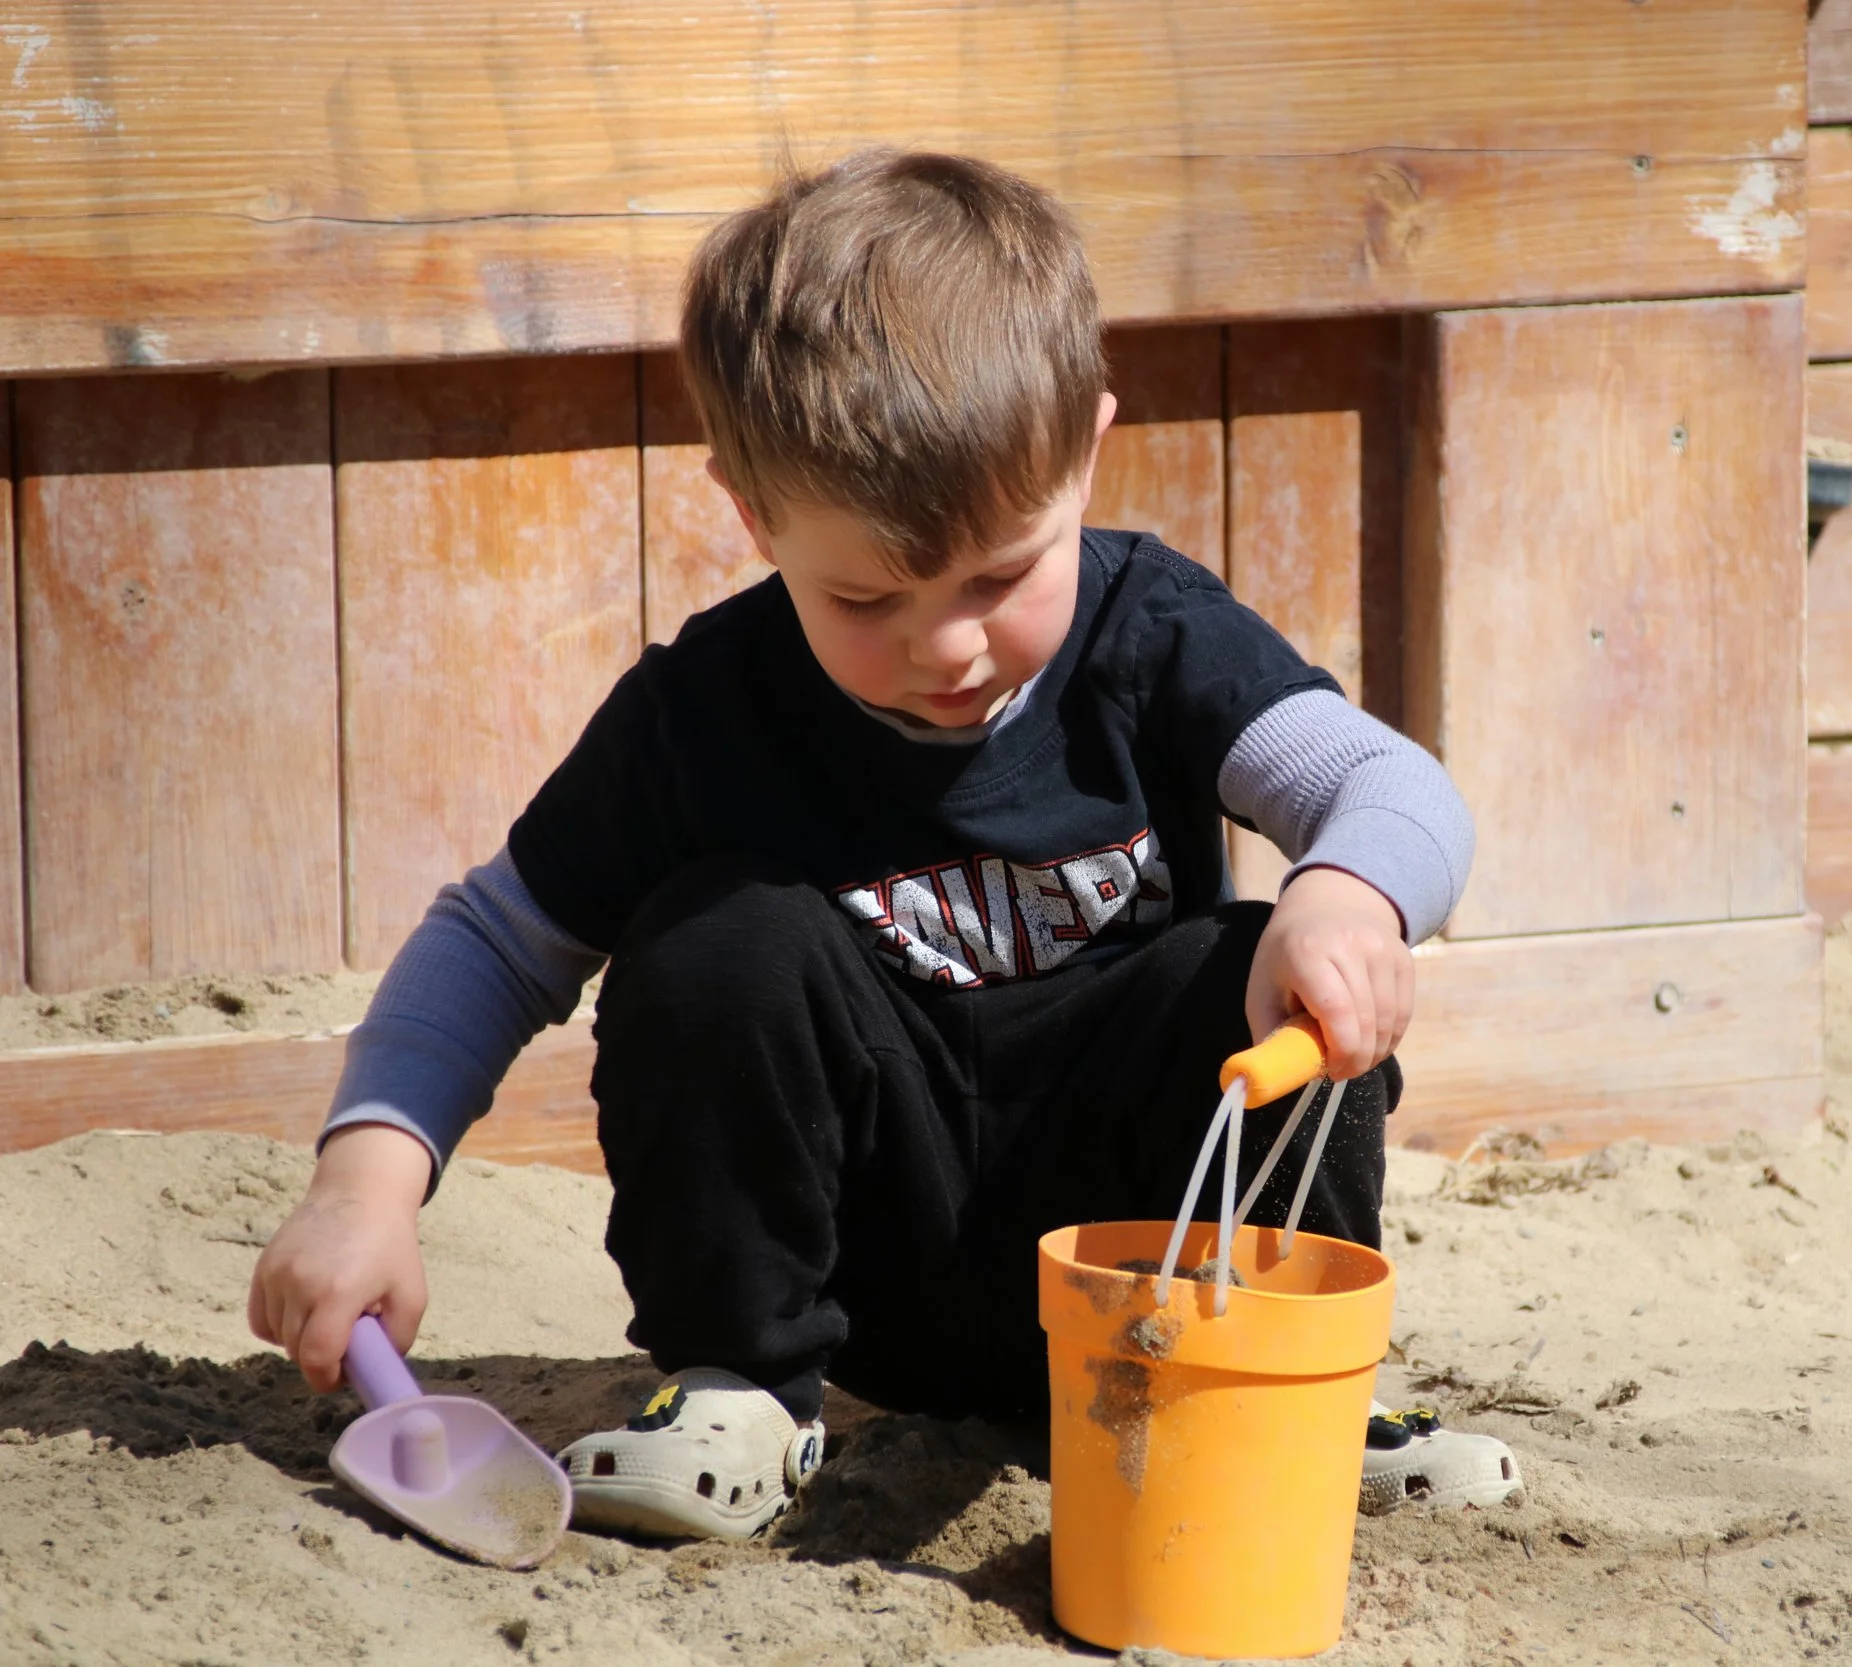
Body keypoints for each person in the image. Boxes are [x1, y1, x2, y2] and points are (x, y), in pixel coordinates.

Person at [247, 149, 1520, 1539]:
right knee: (718, 937)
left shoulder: (1148, 631)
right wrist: (362, 1182)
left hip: (1151, 1261)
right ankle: (742, 1392)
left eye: (1000, 572)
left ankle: (1289, 1389)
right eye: (868, 595)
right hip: (859, 1270)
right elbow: (501, 941)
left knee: (1265, 966)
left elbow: (1388, 786)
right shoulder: (706, 711)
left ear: (1087, 448)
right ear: (752, 512)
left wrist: (1344, 897)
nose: (949, 645)